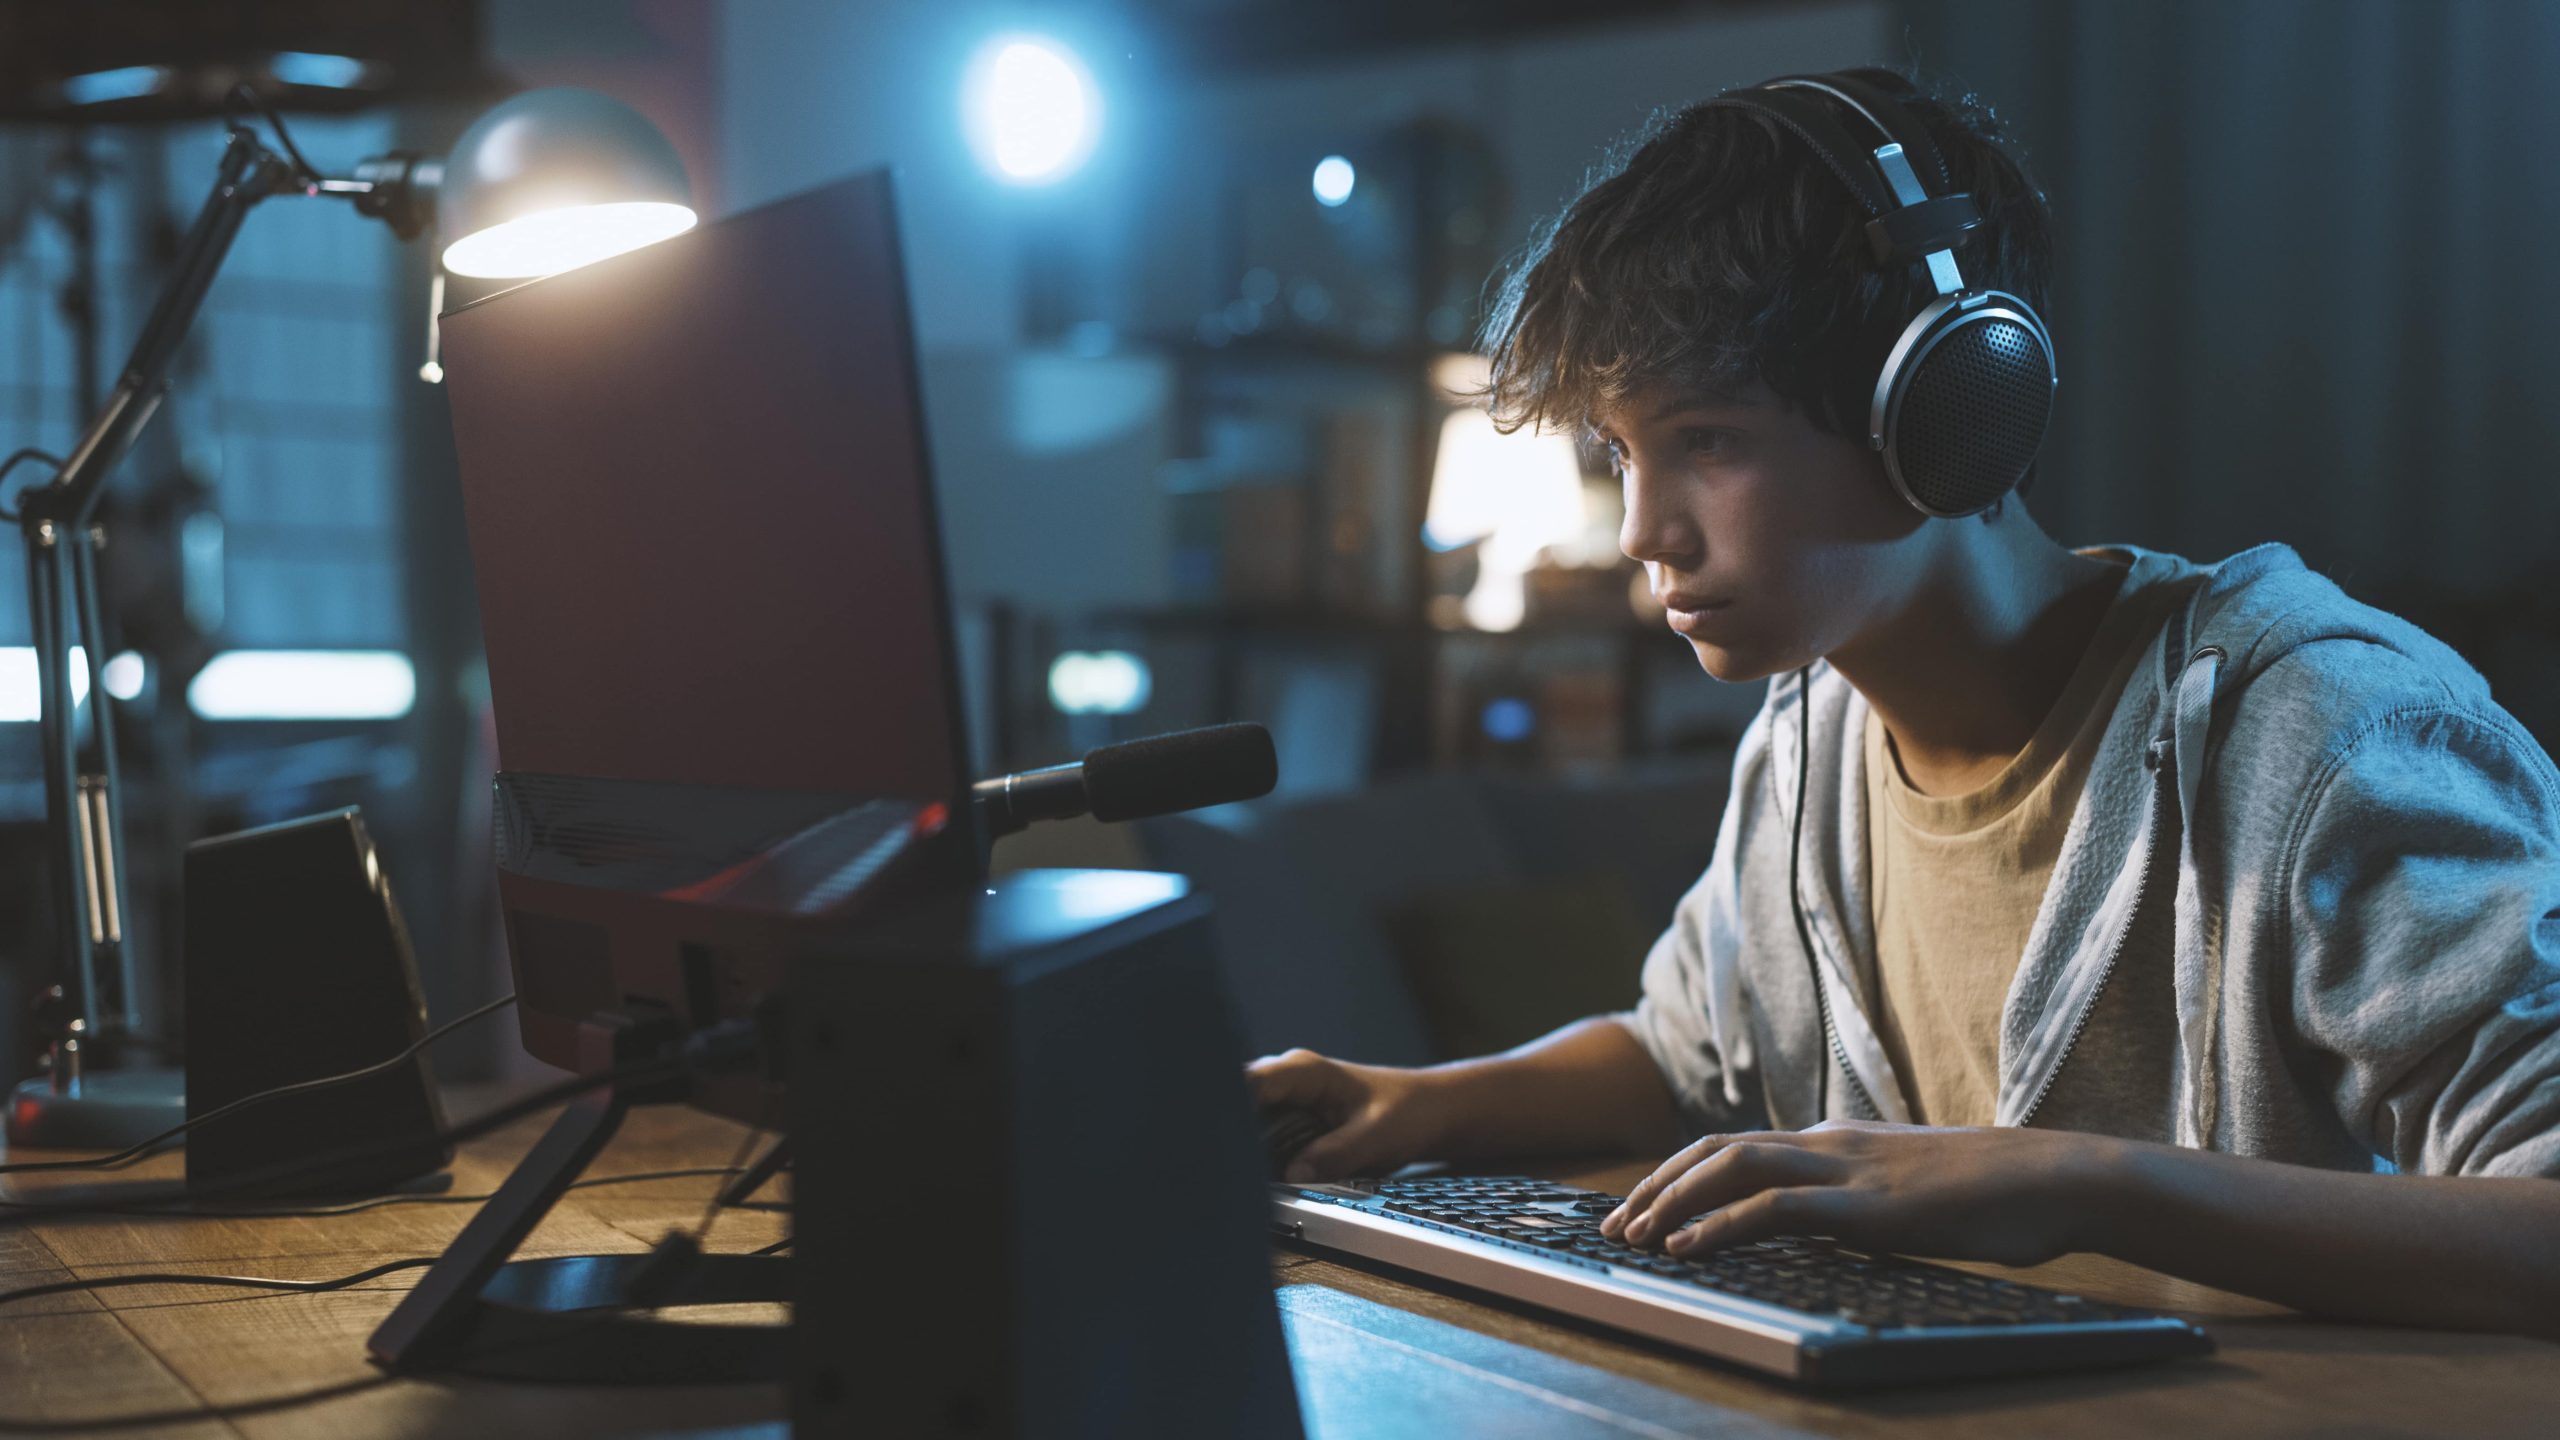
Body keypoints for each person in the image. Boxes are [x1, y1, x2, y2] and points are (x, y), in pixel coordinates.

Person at [1247, 68, 2560, 1338]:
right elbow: (1692, 1058)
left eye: (1707, 440)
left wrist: (2078, 1182)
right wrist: (1416, 1103)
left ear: (1948, 405)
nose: (1645, 529)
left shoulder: (2332, 737)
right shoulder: (1810, 745)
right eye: (1621, 451)